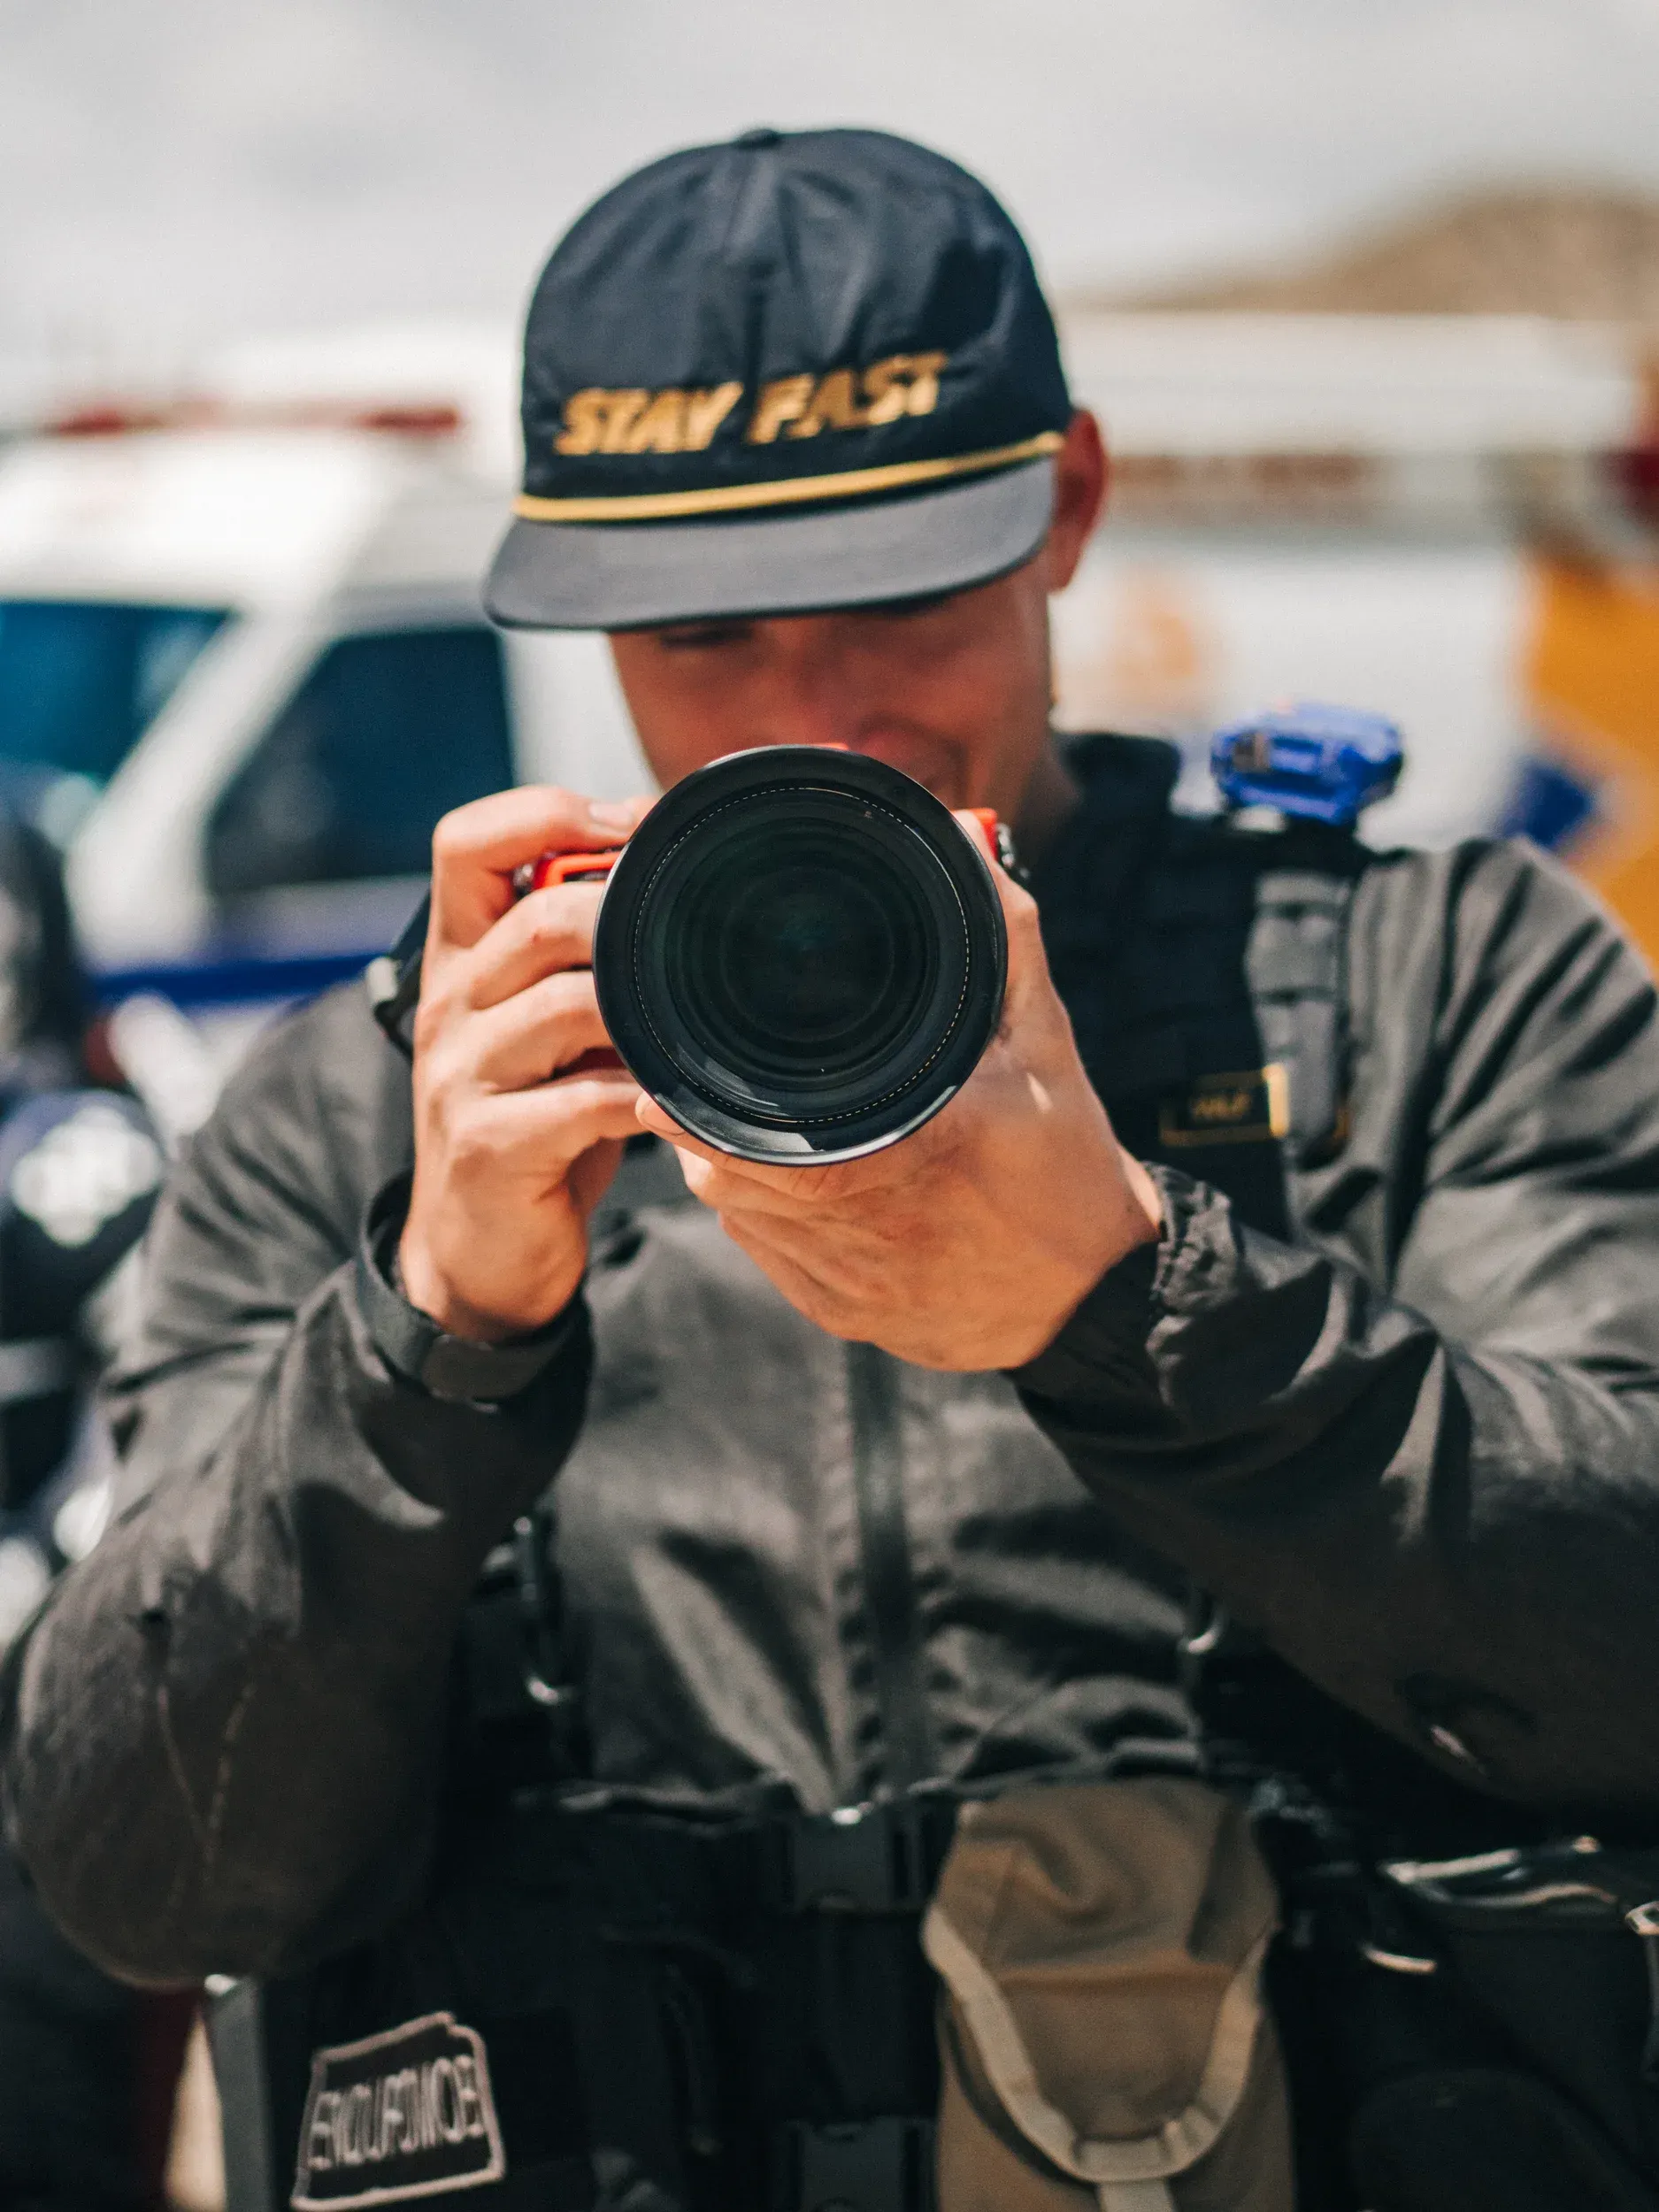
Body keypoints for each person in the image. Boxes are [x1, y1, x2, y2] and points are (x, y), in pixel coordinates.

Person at [6, 127, 1659, 2212]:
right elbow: (145, 1872)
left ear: (1062, 506)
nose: (816, 718)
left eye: (891, 596)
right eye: (697, 637)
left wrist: (1141, 1303)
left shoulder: (1437, 985)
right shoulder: (395, 1095)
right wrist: (434, 1348)